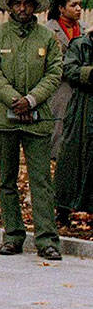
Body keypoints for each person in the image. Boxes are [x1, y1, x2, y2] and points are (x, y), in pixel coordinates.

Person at [0, 0, 63, 259]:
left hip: (38, 120)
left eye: (28, 2)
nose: (22, 7)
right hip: (4, 119)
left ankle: (47, 240)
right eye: (17, 2)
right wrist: (15, 99)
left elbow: (54, 72)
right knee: (7, 180)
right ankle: (13, 236)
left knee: (41, 180)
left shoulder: (47, 37)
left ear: (36, 7)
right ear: (10, 6)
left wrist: (32, 100)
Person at [54, 29, 93, 223]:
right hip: (81, 107)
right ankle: (63, 208)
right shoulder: (80, 44)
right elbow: (68, 70)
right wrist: (89, 73)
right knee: (70, 156)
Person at [46, 0, 81, 159]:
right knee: (59, 129)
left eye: (80, 5)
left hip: (82, 89)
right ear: (61, 8)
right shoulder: (49, 31)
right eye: (73, 5)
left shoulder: (84, 30)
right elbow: (52, 63)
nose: (78, 9)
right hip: (60, 88)